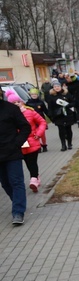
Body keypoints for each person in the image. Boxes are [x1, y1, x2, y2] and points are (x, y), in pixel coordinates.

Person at [0, 92, 31, 225]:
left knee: (16, 181)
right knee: (5, 183)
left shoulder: (11, 108)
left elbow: (25, 127)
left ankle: (18, 212)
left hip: (12, 152)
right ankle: (17, 201)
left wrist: (17, 142)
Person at [7, 93, 46, 193]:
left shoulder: (30, 112)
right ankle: (36, 177)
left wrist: (38, 133)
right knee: (27, 163)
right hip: (18, 144)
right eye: (13, 103)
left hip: (32, 140)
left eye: (18, 102)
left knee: (32, 162)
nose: (16, 104)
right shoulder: (9, 115)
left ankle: (33, 180)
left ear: (22, 102)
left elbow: (42, 122)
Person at [46, 79, 77, 151]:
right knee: (61, 130)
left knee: (68, 129)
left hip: (67, 114)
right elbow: (50, 107)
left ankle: (69, 143)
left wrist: (68, 105)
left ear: (61, 87)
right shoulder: (51, 96)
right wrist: (51, 117)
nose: (57, 87)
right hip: (58, 115)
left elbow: (73, 102)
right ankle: (63, 145)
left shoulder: (66, 93)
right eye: (55, 86)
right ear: (53, 87)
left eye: (58, 86)